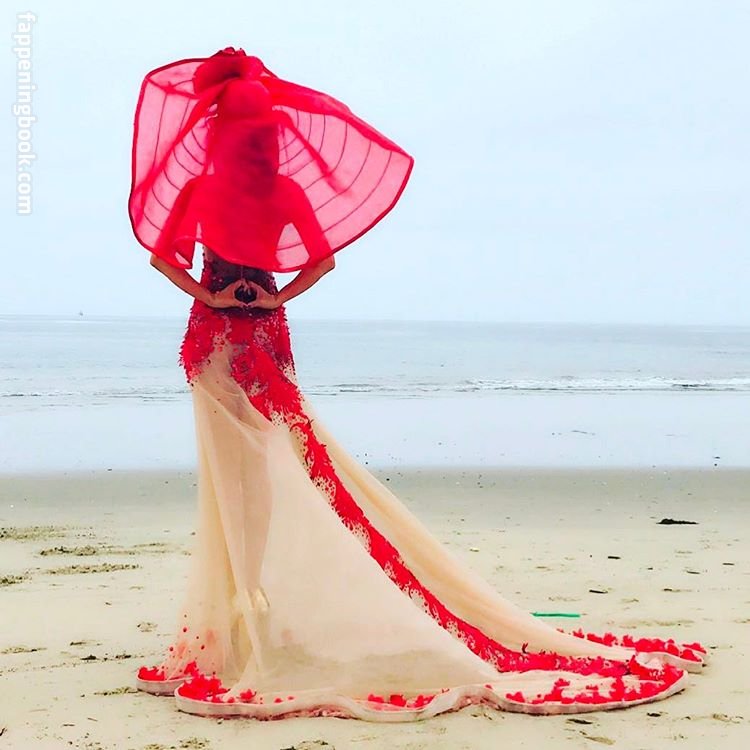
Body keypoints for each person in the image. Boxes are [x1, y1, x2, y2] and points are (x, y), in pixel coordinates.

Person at [127, 47, 706, 721]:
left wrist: (214, 296)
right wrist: (270, 297)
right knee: (264, 475)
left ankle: (244, 611)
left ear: (219, 131)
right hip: (259, 335)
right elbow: (322, 263)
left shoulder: (201, 187)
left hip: (215, 340)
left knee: (232, 478)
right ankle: (251, 609)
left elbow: (161, 257)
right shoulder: (281, 191)